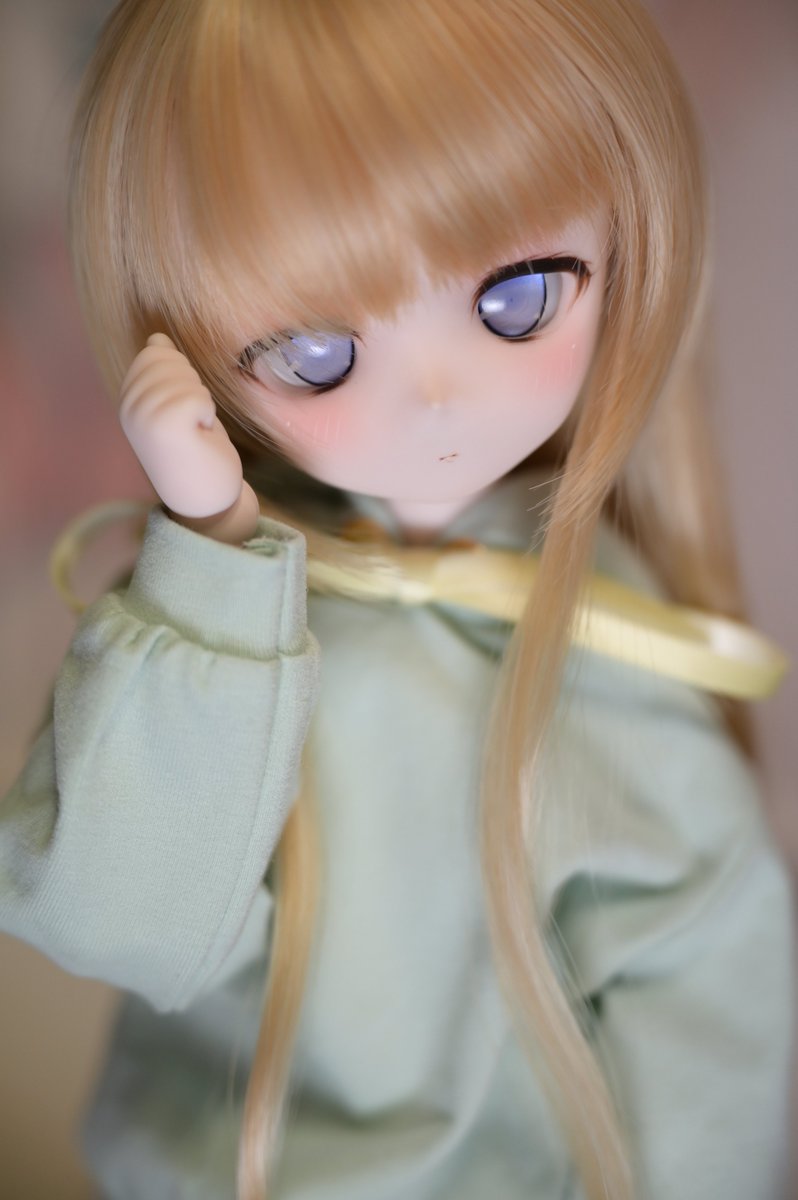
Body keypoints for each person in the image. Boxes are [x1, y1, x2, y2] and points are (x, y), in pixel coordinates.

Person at [1, 1, 793, 1197]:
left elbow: (703, 1018)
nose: (437, 399)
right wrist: (212, 549)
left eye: (517, 300)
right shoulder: (203, 630)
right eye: (315, 354)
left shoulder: (607, 650)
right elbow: (115, 920)